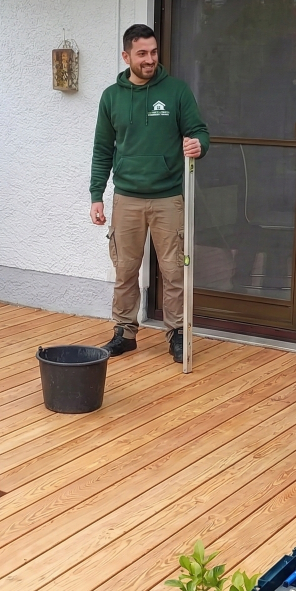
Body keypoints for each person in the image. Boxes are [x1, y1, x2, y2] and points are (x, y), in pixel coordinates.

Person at [90, 24, 210, 363]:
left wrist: (199, 144)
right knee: (125, 269)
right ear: (126, 56)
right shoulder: (111, 97)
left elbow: (199, 130)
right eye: (142, 53)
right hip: (126, 197)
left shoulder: (176, 92)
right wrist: (96, 195)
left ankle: (177, 334)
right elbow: (102, 149)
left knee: (174, 270)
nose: (150, 59)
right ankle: (124, 332)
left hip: (168, 197)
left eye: (154, 52)